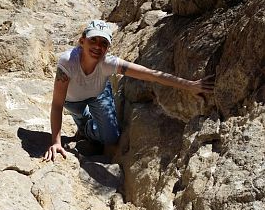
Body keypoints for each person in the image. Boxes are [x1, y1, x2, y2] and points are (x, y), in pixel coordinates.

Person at [44, 20, 214, 161]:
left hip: (98, 94)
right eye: (93, 40)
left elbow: (151, 75)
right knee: (83, 117)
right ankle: (83, 125)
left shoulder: (109, 63)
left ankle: (88, 127)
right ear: (82, 41)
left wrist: (189, 85)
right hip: (74, 101)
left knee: (111, 137)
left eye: (103, 43)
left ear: (107, 48)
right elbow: (57, 104)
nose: (97, 46)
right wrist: (56, 142)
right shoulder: (68, 62)